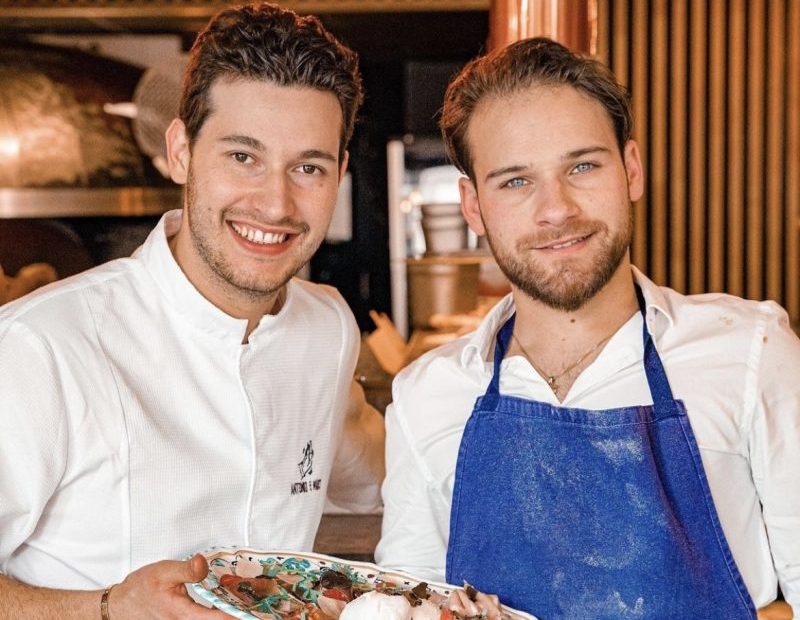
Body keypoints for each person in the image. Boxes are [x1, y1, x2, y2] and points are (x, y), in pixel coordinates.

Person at [375, 37, 799, 619]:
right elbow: (406, 608)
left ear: (630, 170)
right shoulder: (427, 398)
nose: (557, 209)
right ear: (473, 206)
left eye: (582, 166)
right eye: (516, 181)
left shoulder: (752, 352)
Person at [0, 3, 384, 618]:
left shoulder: (329, 327)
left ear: (338, 173)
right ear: (181, 151)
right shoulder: (39, 347)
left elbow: (368, 479)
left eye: (308, 167)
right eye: (243, 157)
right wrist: (105, 607)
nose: (276, 202)